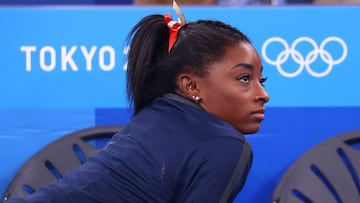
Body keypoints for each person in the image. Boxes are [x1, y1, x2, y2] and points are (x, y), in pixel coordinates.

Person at [6, 0, 269, 202]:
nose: (263, 94)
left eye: (261, 80)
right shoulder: (226, 144)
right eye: (244, 78)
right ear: (190, 85)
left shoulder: (160, 110)